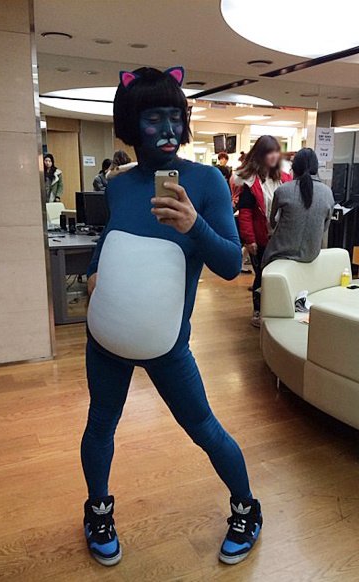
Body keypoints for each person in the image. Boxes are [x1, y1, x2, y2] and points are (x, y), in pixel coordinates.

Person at [82, 66, 261, 568]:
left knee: (203, 427)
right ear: (130, 125)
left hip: (168, 344)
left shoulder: (205, 181)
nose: (166, 129)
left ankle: (247, 508)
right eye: (153, 118)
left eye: (174, 117)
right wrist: (93, 272)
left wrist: (194, 224)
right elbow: (112, 238)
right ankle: (98, 510)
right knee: (100, 425)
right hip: (107, 339)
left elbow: (230, 264)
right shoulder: (119, 185)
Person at [236, 135, 291, 327]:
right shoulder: (250, 182)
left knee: (278, 275)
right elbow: (245, 213)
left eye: (276, 152)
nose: (274, 156)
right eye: (269, 152)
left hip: (281, 238)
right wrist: (249, 239)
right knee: (261, 275)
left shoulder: (285, 178)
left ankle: (275, 310)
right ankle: (258, 311)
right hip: (260, 239)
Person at [262, 148, 334, 267]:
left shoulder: (283, 190)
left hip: (279, 256)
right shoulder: (327, 193)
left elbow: (273, 222)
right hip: (310, 257)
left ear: (294, 167)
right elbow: (324, 226)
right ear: (316, 168)